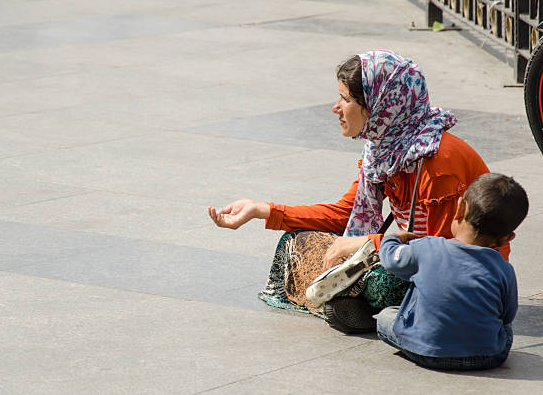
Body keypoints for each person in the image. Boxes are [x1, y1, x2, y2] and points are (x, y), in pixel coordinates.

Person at [208, 50, 505, 331]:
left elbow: (443, 255)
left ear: (380, 106)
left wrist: (368, 245)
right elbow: (344, 214)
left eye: (345, 99)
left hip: (459, 278)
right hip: (408, 252)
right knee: (297, 242)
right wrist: (263, 210)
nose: (336, 108)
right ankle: (347, 303)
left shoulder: (439, 164)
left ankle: (348, 303)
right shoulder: (384, 148)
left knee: (383, 282)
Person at [375, 173, 527, 370]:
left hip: (423, 349)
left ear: (460, 209)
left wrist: (393, 238)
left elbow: (390, 260)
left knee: (386, 317)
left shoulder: (427, 248)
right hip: (486, 356)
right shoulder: (504, 269)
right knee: (504, 329)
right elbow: (507, 315)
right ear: (507, 238)